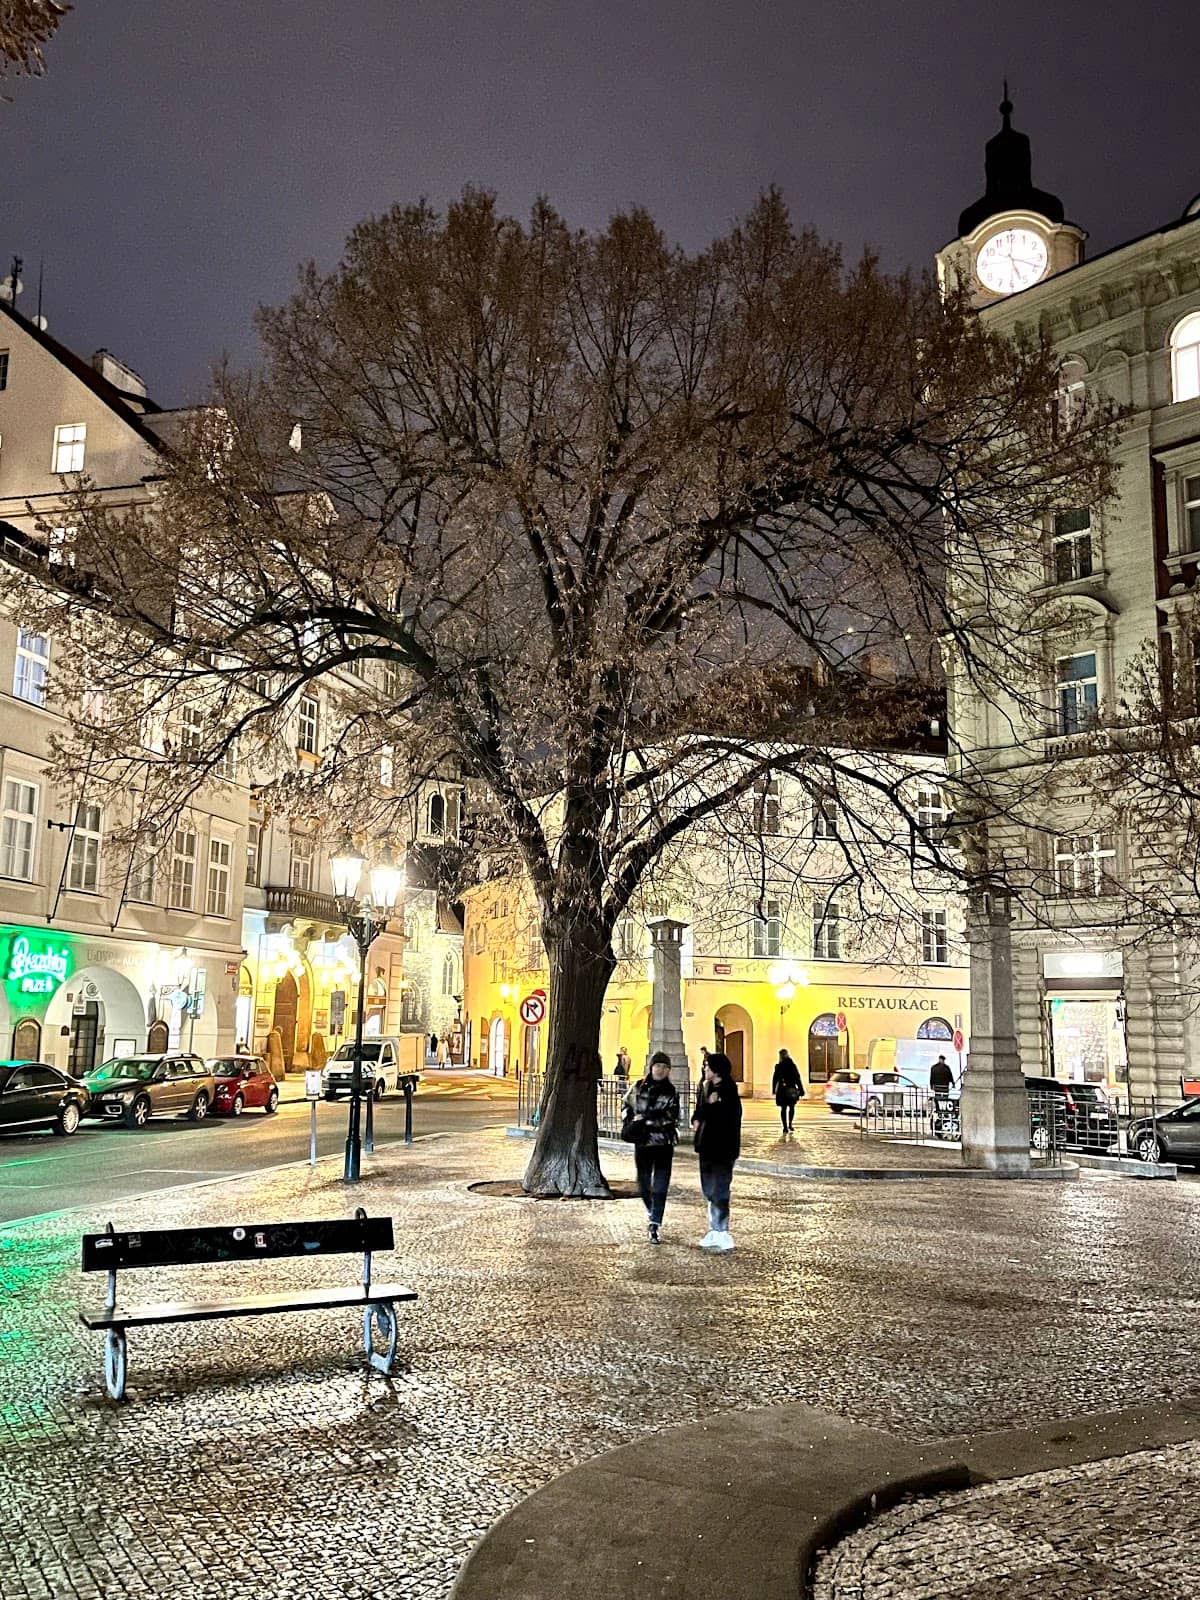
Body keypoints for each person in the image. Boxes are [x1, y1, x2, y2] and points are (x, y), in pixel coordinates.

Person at [622, 1051, 679, 1243]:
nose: (661, 1070)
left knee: (661, 1186)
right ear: (651, 1067)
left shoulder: (671, 1092)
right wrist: (630, 1121)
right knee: (644, 1183)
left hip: (663, 1144)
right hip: (643, 1143)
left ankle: (655, 1222)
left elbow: (671, 1117)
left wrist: (646, 1121)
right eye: (658, 1066)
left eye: (665, 1067)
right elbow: (626, 1105)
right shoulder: (638, 1087)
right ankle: (651, 1209)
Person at [691, 1051, 742, 1252]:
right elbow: (701, 1111)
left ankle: (722, 1231)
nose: (704, 1069)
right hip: (706, 1146)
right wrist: (697, 1116)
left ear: (716, 1070)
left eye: (707, 1067)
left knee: (720, 1190)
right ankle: (714, 1229)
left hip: (722, 1148)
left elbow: (727, 1118)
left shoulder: (728, 1090)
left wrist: (710, 1109)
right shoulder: (707, 1088)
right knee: (708, 1189)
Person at [772, 1048, 805, 1135]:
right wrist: (801, 1089)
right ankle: (790, 1124)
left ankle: (785, 1126)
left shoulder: (779, 1066)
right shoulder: (792, 1065)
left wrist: (773, 1089)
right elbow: (797, 1078)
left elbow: (775, 1078)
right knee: (791, 1107)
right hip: (791, 1088)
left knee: (784, 1108)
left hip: (782, 1090)